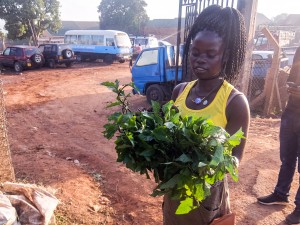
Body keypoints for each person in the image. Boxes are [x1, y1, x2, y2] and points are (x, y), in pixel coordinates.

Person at [162, 5, 250, 225]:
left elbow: (235, 158)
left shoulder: (235, 103)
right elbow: (167, 137)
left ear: (226, 55)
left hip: (207, 195)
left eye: (210, 54)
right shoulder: (179, 92)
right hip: (175, 189)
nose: (200, 59)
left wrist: (206, 165)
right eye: (195, 52)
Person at [257, 46, 300, 225]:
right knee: (287, 157)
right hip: (293, 109)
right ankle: (281, 194)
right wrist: (292, 87)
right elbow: (293, 76)